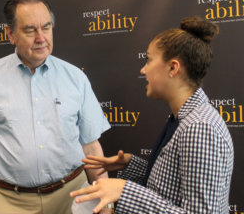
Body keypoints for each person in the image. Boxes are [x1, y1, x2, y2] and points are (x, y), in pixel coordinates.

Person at [0, 0, 113, 214]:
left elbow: (91, 146)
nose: (41, 38)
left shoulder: (75, 78)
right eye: (30, 30)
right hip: (8, 203)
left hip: (74, 197)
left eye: (46, 27)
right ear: (10, 34)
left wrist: (105, 203)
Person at [70, 16, 234, 213]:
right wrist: (130, 164)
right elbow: (170, 188)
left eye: (148, 60)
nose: (143, 69)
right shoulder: (182, 119)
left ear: (173, 67)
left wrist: (124, 191)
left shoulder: (199, 128)